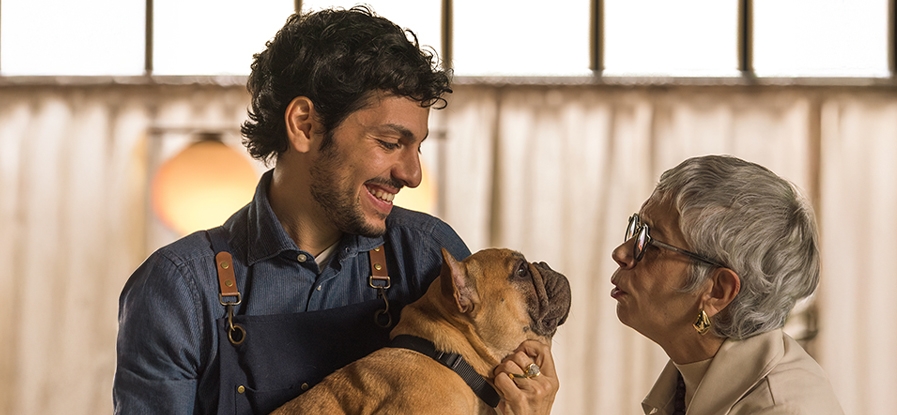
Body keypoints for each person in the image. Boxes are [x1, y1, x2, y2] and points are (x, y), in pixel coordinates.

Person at [113, 7, 477, 414]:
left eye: (418, 147)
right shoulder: (178, 288)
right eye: (390, 142)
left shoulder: (426, 255)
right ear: (304, 125)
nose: (412, 175)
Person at [502, 154, 845, 414]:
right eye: (636, 228)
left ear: (717, 292)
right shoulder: (688, 381)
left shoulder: (781, 408)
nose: (622, 252)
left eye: (650, 242)